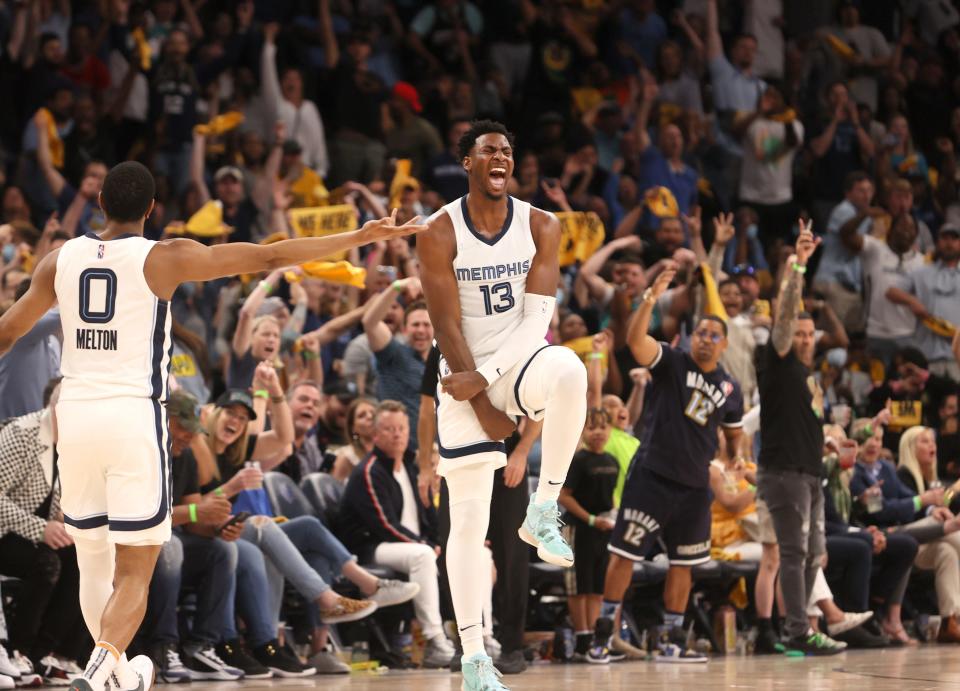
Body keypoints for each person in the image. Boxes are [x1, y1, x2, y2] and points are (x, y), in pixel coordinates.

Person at [0, 160, 425, 691]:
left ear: (100, 205)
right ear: (152, 210)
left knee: (92, 560)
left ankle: (117, 672)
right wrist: (359, 235)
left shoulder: (58, 260)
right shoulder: (165, 257)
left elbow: (7, 332)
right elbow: (269, 254)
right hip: (132, 416)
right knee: (135, 569)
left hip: (75, 416)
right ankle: (99, 669)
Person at [417, 120, 588, 690]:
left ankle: (544, 508)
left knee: (569, 369)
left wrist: (488, 380)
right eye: (488, 150)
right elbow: (443, 322)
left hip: (509, 364)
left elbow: (538, 319)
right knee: (466, 523)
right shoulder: (439, 230)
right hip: (459, 369)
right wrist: (477, 394)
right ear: (467, 161)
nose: (500, 157)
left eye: (507, 151)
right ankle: (473, 659)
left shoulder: (542, 224)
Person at [589, 268, 744, 664]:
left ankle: (673, 640)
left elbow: (733, 429)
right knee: (624, 555)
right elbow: (635, 340)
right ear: (691, 338)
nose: (706, 340)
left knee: (684, 564)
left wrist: (736, 454)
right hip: (652, 477)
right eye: (701, 334)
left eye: (714, 336)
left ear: (724, 344)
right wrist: (650, 298)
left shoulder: (730, 387)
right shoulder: (673, 362)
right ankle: (602, 636)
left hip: (694, 489)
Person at [756, 221, 845, 655]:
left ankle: (801, 628)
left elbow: (811, 424)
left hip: (810, 473)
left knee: (813, 555)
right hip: (783, 473)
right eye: (801, 334)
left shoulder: (809, 375)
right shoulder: (778, 359)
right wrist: (798, 267)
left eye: (812, 335)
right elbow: (786, 312)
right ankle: (795, 631)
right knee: (793, 554)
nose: (806, 340)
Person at [337, 400, 455, 668]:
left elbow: (428, 515)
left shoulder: (413, 467)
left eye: (401, 428)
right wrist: (425, 544)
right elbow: (384, 525)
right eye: (389, 429)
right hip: (372, 547)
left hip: (407, 545)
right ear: (376, 435)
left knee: (475, 554)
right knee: (423, 555)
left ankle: (481, 635)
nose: (397, 434)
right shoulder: (369, 471)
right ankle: (435, 640)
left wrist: (438, 542)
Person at [559, 408, 619, 662]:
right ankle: (582, 638)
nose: (597, 433)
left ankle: (597, 639)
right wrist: (591, 519)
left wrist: (611, 517)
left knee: (597, 587)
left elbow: (610, 497)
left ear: (610, 430)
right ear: (583, 431)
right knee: (578, 586)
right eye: (591, 427)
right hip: (577, 528)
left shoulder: (613, 462)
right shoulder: (578, 460)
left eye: (602, 427)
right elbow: (564, 496)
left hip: (603, 531)